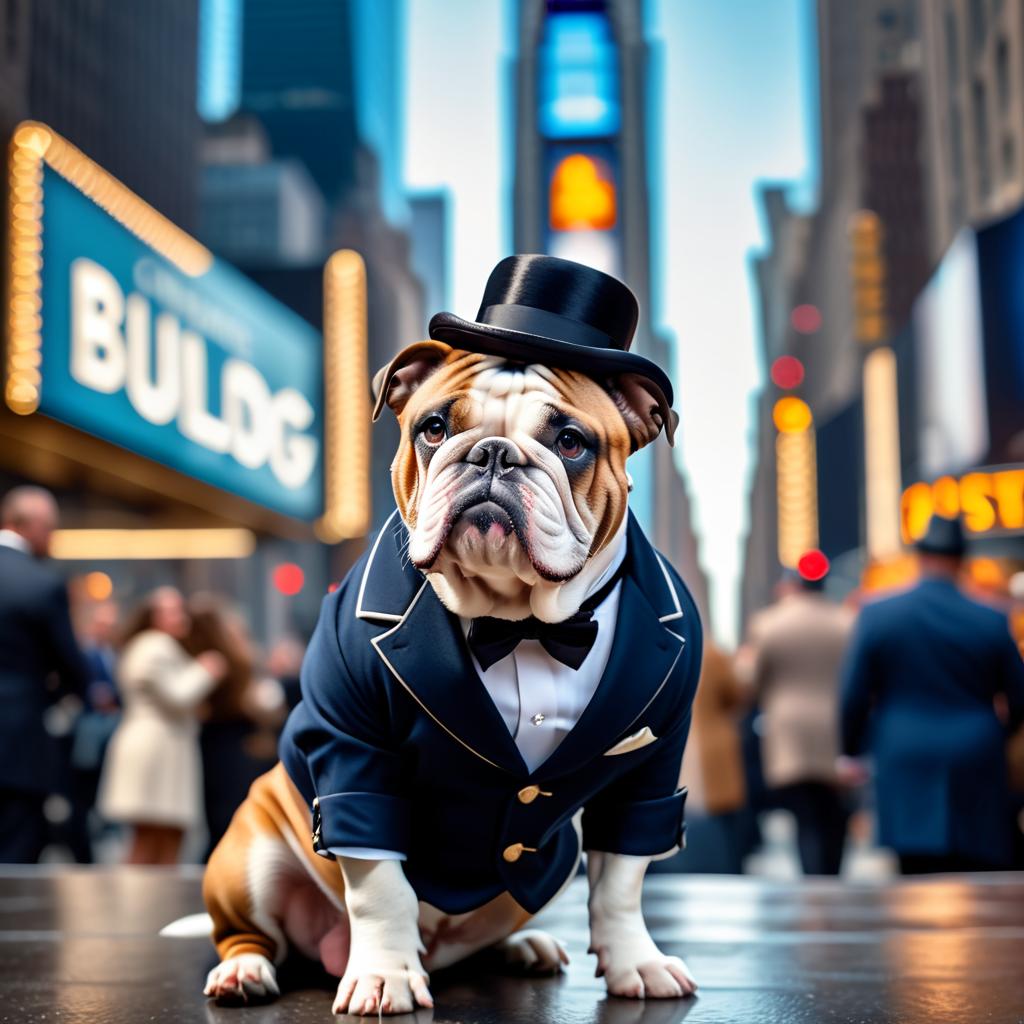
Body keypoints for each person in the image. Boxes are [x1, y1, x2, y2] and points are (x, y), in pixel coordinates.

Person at [841, 514, 1024, 873]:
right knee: (977, 870)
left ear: (920, 556)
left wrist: (851, 750)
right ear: (961, 560)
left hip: (904, 751)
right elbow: (1019, 696)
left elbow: (854, 694)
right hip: (976, 750)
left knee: (914, 873)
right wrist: (996, 733)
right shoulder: (992, 618)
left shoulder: (878, 614)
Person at [97, 587, 226, 864]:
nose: (180, 617)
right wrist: (206, 670)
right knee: (150, 837)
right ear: (153, 617)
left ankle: (150, 903)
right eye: (170, 611)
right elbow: (177, 697)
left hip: (163, 748)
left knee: (165, 836)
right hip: (156, 750)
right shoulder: (153, 646)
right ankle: (136, 904)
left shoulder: (152, 646)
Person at [0, 485, 90, 863]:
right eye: (50, 528)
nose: (52, 538)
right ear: (30, 525)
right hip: (18, 744)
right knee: (15, 853)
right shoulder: (41, 583)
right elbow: (72, 666)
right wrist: (54, 699)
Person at [746, 568, 855, 875]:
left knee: (803, 814)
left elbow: (753, 680)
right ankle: (831, 873)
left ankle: (811, 876)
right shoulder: (846, 621)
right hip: (836, 729)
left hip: (789, 732)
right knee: (834, 813)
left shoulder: (769, 623)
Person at [185, 594, 281, 857]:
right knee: (229, 817)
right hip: (230, 743)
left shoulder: (212, 658)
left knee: (222, 818)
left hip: (221, 742)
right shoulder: (224, 660)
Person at [674, 643, 748, 872]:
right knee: (723, 823)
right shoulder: (710, 651)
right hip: (712, 741)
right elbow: (735, 694)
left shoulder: (648, 645)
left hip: (675, 739)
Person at [67, 598, 122, 862]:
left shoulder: (113, 654)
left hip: (111, 727)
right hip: (89, 728)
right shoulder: (84, 653)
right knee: (84, 790)